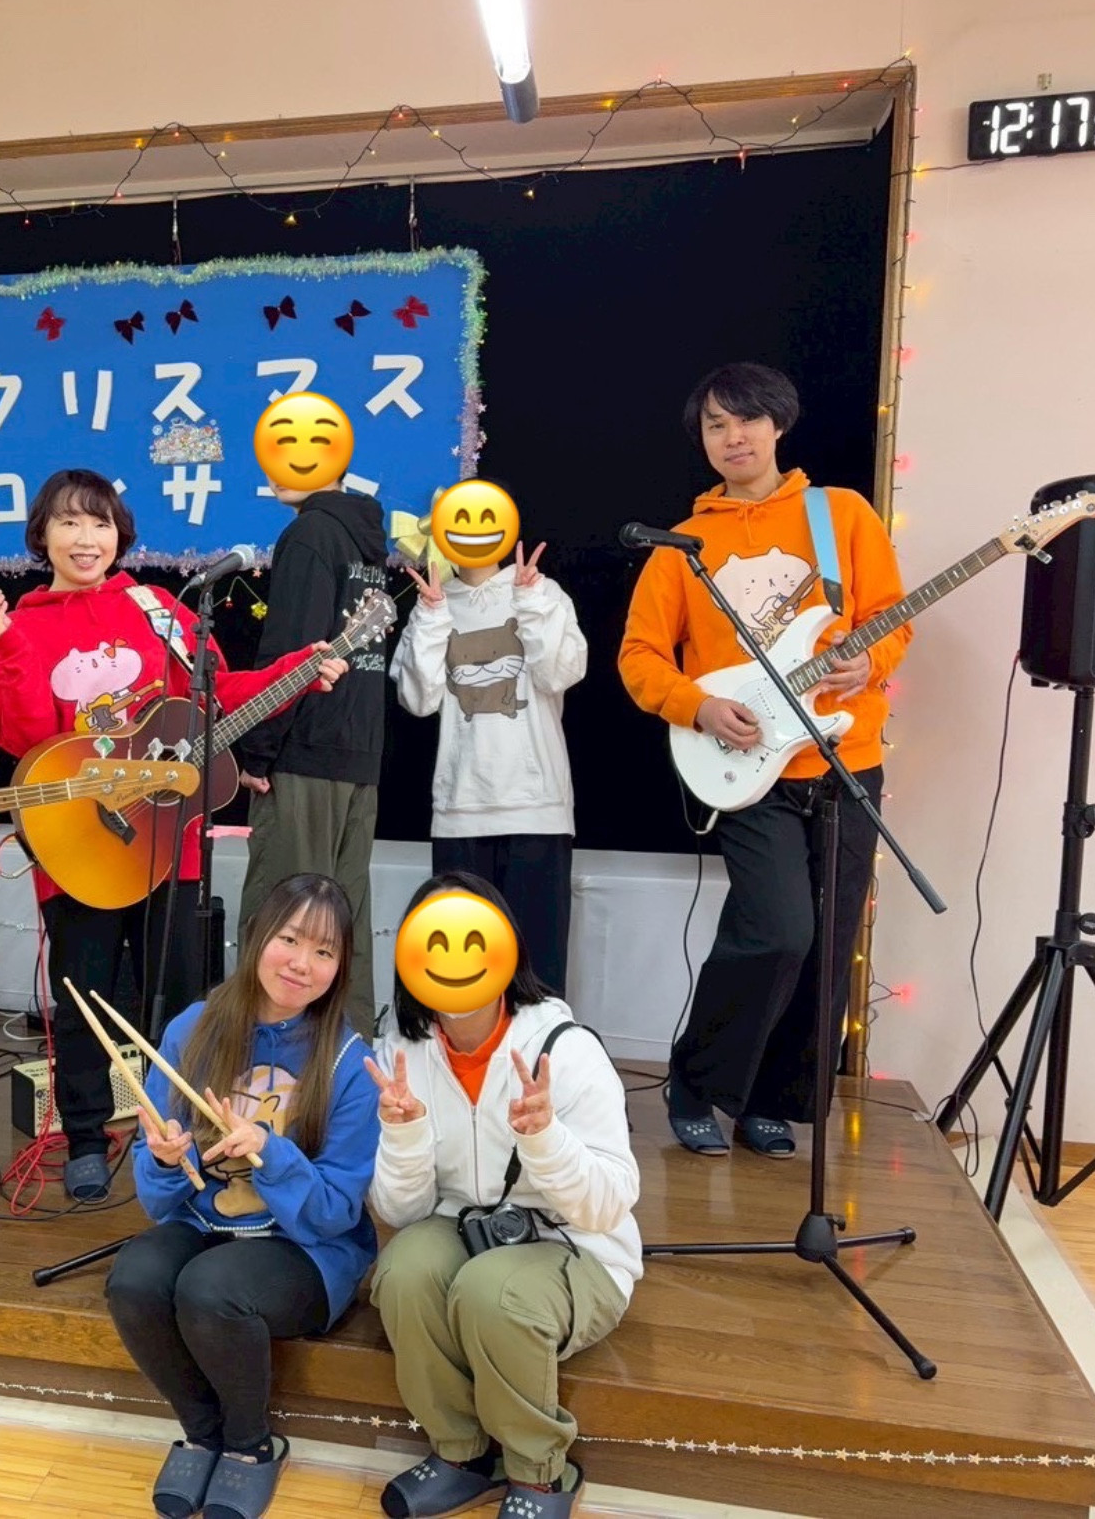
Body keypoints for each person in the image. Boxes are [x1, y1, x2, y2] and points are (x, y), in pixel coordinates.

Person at [0, 469, 347, 1202]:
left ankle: (182, 1127)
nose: (87, 538)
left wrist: (298, 670)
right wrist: (4, 649)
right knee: (82, 998)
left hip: (168, 839)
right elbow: (24, 739)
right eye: (69, 522)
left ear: (121, 535)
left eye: (101, 523)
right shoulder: (23, 625)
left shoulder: (157, 610)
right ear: (42, 535)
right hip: (80, 844)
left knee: (180, 999)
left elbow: (217, 698)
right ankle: (87, 1137)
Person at [618, 362, 910, 1157]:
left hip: (844, 761)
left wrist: (870, 661)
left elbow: (891, 616)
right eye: (715, 425)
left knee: (829, 943)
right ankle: (696, 1082)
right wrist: (697, 705)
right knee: (777, 930)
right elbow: (640, 656)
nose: (732, 436)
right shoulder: (684, 544)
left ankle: (769, 1102)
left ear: (778, 423)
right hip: (750, 772)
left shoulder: (840, 515)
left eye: (746, 419)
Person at [104, 872, 380, 1519]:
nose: (302, 963)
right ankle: (203, 1433)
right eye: (290, 940)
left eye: (324, 951)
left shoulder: (349, 1062)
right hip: (209, 1223)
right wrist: (167, 1160)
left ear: (340, 967)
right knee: (135, 1280)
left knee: (211, 1288)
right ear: (256, 937)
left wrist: (270, 1151)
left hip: (306, 1249)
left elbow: (336, 1212)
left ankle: (252, 1445)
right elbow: (158, 1202)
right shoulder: (193, 1029)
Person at [366, 872, 640, 1519]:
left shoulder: (565, 1049)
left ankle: (540, 1474)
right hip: (466, 1229)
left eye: (472, 936)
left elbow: (609, 1203)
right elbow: (402, 1214)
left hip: (577, 1247)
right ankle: (461, 1454)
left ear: (505, 946)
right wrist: (403, 1134)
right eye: (434, 939)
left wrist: (545, 1139)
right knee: (403, 1271)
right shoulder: (401, 1050)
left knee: (492, 1291)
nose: (454, 955)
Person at [391, 540, 587, 996]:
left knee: (538, 973)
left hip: (537, 810)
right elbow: (417, 700)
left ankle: (541, 1045)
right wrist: (432, 617)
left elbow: (560, 673)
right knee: (461, 970)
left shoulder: (543, 591)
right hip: (461, 812)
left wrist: (530, 602)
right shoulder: (434, 603)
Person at [234, 475, 389, 1036]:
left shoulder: (310, 534)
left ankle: (262, 1060)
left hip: (302, 753)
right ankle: (349, 1063)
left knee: (280, 919)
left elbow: (290, 654)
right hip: (358, 756)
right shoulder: (366, 538)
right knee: (342, 927)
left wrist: (257, 754)